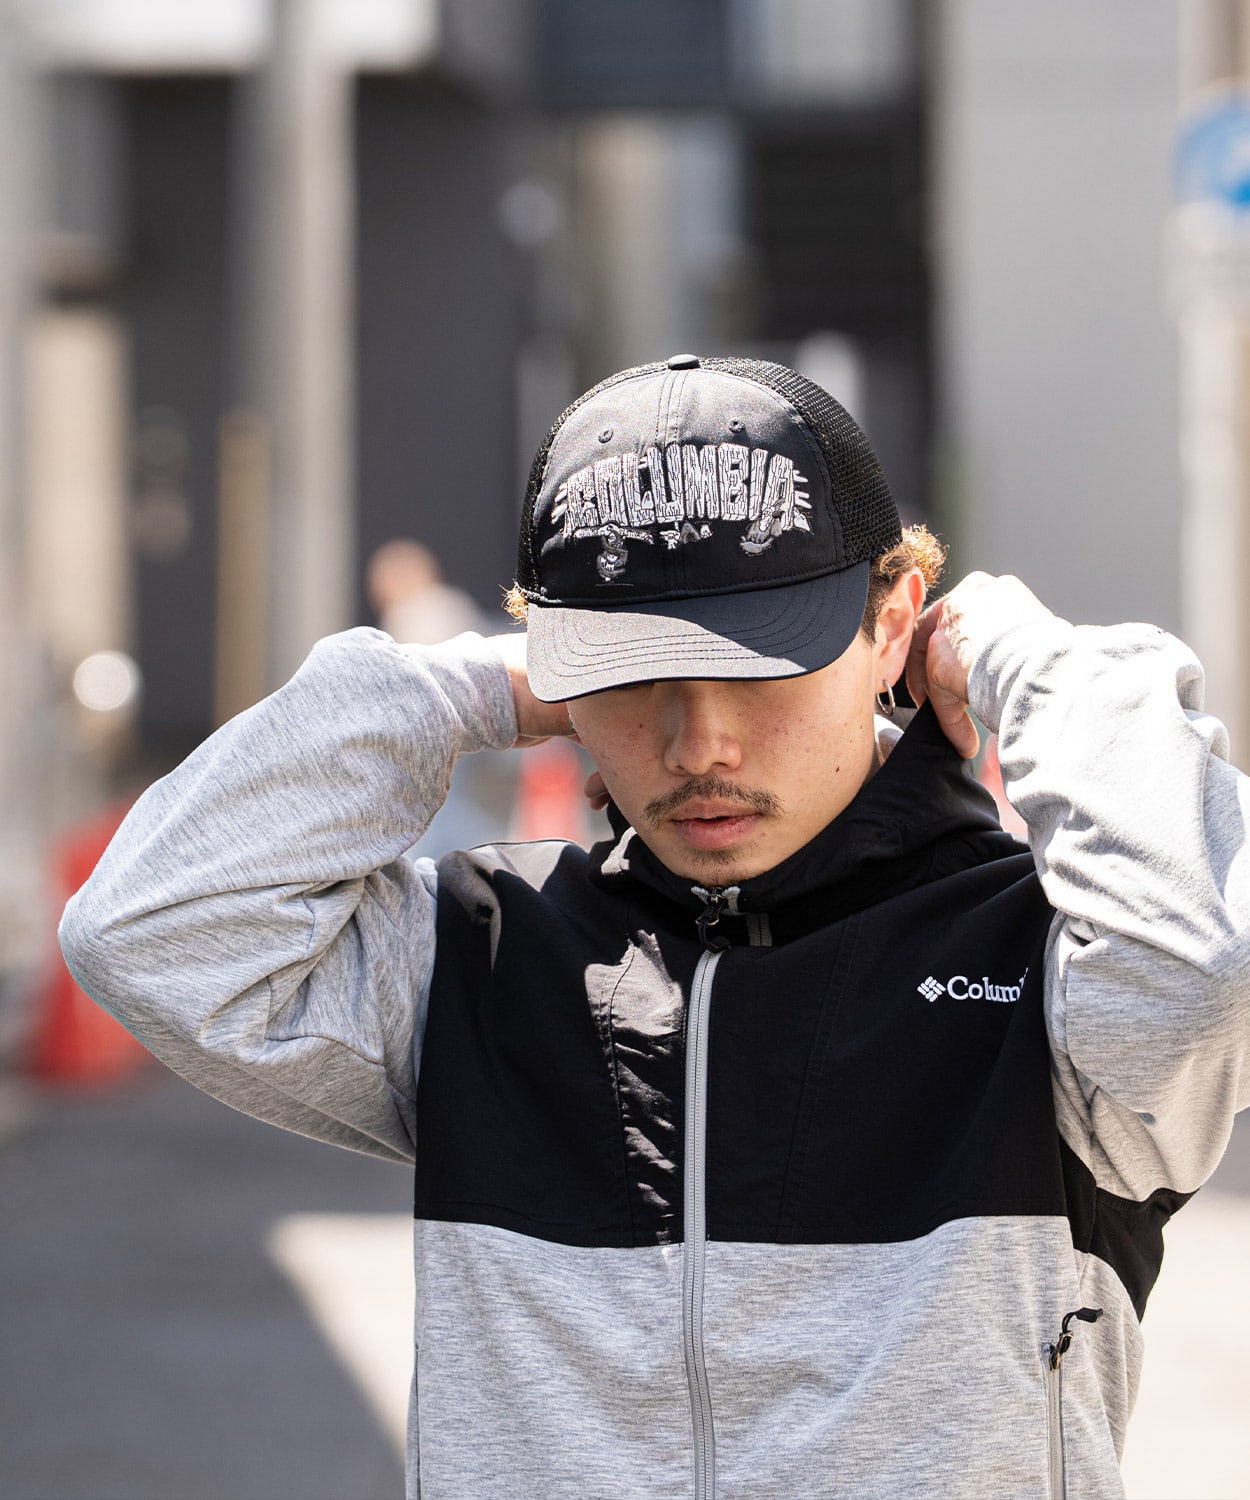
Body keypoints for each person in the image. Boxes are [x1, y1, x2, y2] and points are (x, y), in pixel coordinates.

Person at [60, 354, 1250, 1499]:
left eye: (761, 668)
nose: (697, 747)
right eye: (632, 676)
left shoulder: (1043, 966)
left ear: (891, 625)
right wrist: (465, 688)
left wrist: (1022, 659)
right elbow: (145, 930)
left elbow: (1205, 964)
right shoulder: (482, 953)